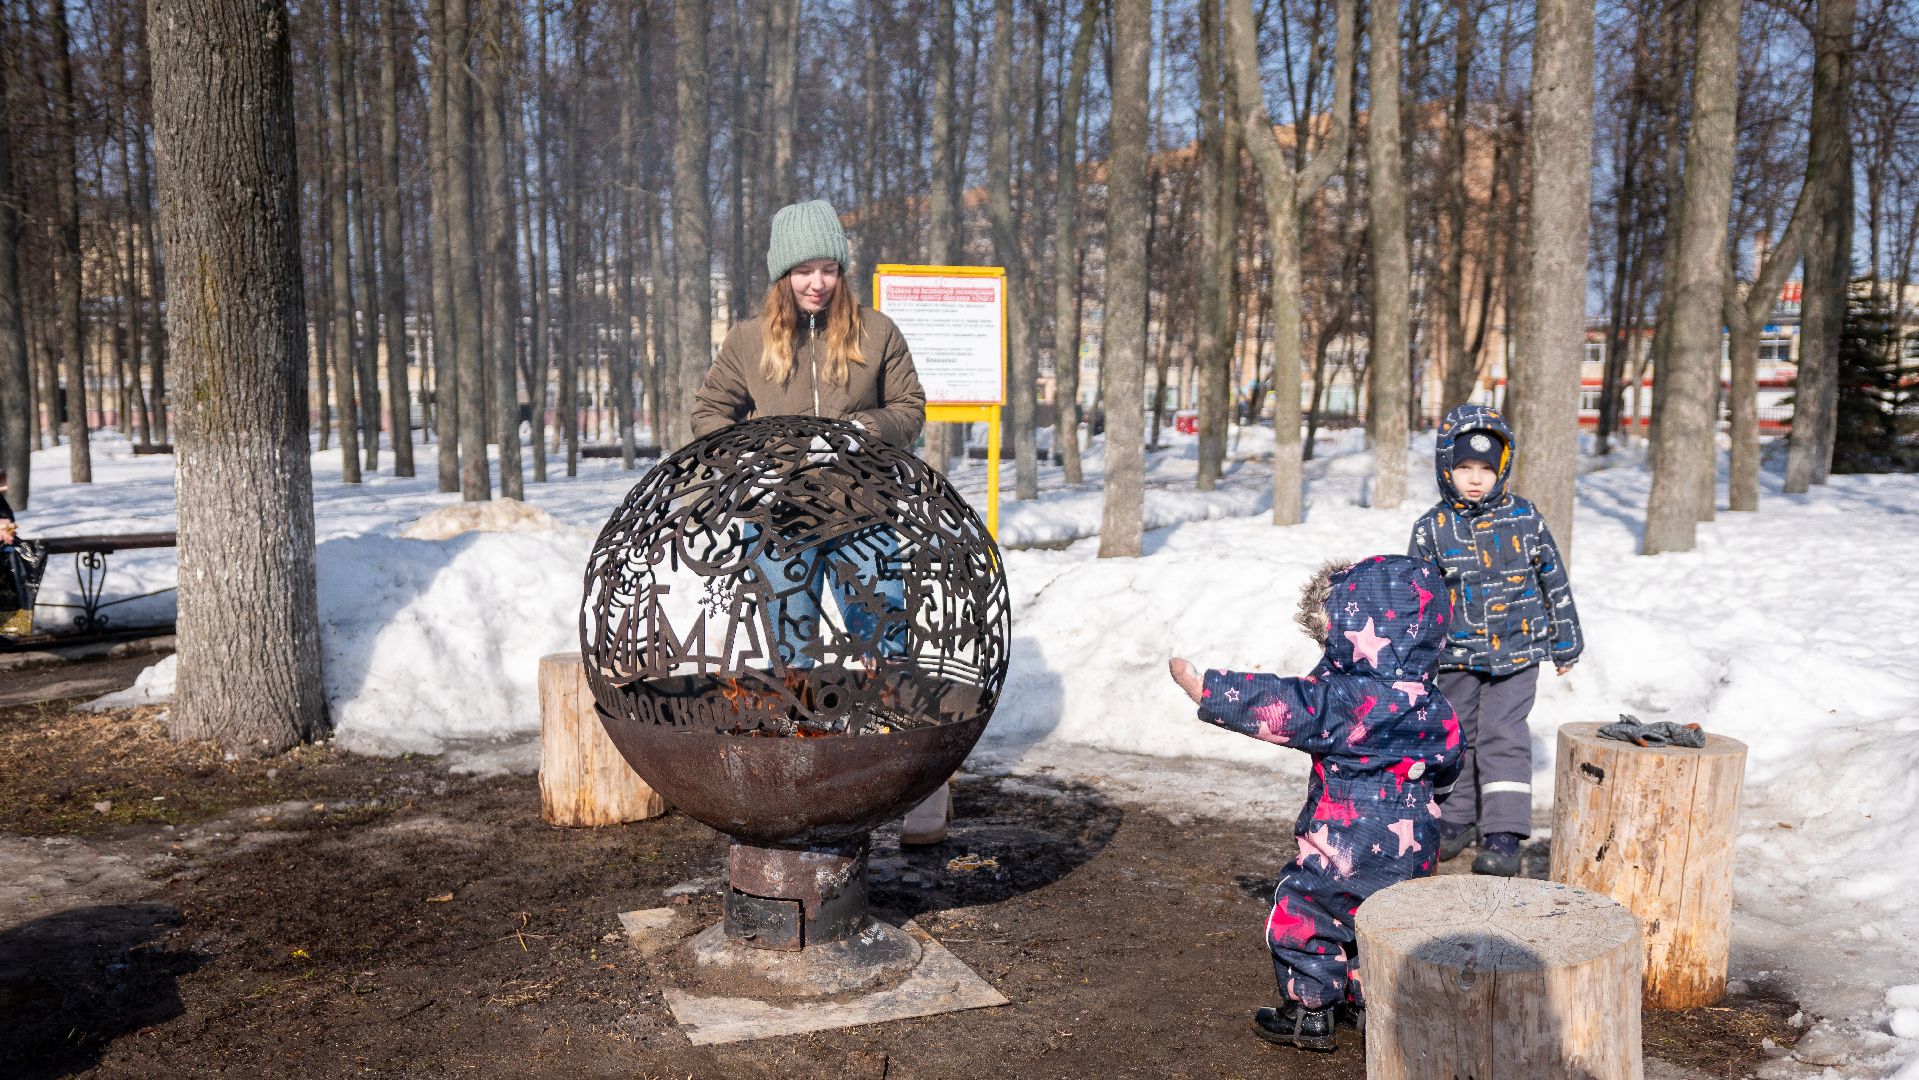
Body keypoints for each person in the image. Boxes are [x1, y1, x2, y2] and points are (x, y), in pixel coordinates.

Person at [692, 199, 950, 843]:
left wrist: (867, 429)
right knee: (791, 646)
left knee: (885, 638)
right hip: (780, 523)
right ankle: (808, 770)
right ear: (783, 275)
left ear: (842, 271)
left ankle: (920, 783)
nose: (816, 282)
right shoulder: (749, 340)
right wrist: (749, 465)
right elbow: (709, 412)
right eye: (803, 270)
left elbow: (911, 406)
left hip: (863, 513)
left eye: (828, 268)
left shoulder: (877, 332)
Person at [1169, 555, 1459, 1053]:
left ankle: (1310, 1011)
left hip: (1341, 847)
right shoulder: (1436, 704)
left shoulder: (1348, 699)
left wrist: (1208, 689)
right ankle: (1370, 1001)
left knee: (1306, 911)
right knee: (1382, 922)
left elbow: (1284, 704)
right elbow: (1449, 766)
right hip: (1412, 851)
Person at [1408, 404, 1584, 877]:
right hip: (1454, 655)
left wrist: (1565, 642)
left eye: (1486, 469)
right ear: (1446, 466)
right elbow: (1418, 595)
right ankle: (1459, 818)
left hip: (1518, 650)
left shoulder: (1526, 518)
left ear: (1502, 468)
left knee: (1503, 736)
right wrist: (1415, 652)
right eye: (1464, 467)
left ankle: (1504, 833)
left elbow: (1553, 579)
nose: (1475, 479)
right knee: (1457, 735)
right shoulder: (1432, 528)